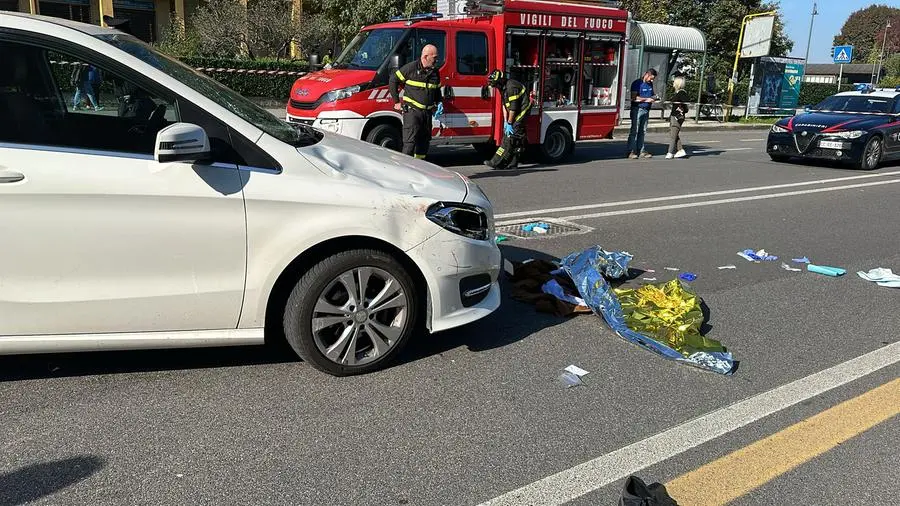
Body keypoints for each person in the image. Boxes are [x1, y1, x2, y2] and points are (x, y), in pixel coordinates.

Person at [389, 44, 443, 160]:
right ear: (425, 57)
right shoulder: (411, 68)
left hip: (427, 114)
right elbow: (393, 80)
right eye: (434, 58)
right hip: (412, 112)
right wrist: (396, 101)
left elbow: (437, 89)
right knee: (409, 144)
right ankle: (405, 171)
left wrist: (439, 102)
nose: (436, 60)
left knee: (423, 143)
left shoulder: (435, 72)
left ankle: (419, 168)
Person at [484, 69, 531, 170]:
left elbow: (513, 108)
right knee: (513, 138)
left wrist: (510, 123)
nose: (495, 86)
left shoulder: (511, 88)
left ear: (500, 81)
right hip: (513, 112)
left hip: (521, 111)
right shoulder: (502, 88)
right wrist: (506, 121)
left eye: (495, 84)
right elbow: (505, 105)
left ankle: (499, 162)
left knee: (511, 137)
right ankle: (510, 163)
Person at [626, 68, 657, 159]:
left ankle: (641, 150)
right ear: (647, 74)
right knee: (634, 131)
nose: (651, 80)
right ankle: (630, 151)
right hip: (638, 109)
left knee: (642, 131)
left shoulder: (649, 84)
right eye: (651, 78)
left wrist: (654, 97)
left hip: (646, 109)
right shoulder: (637, 83)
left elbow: (651, 94)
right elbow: (634, 97)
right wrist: (646, 99)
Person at [666, 76, 689, 159]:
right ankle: (680, 150)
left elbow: (685, 101)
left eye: (674, 82)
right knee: (673, 133)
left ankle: (670, 152)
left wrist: (681, 106)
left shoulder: (682, 93)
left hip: (678, 116)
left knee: (673, 135)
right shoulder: (677, 92)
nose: (673, 84)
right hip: (674, 115)